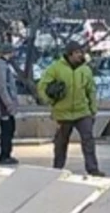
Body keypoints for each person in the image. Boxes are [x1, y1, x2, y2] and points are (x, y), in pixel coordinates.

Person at [38, 41, 103, 176]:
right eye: (78, 53)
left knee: (88, 140)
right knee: (61, 143)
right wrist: (50, 101)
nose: (81, 55)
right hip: (63, 113)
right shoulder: (55, 69)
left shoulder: (85, 70)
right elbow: (42, 86)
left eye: (82, 52)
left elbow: (91, 90)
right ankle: (57, 168)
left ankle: (93, 169)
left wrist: (93, 110)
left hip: (82, 112)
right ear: (70, 54)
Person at [0, 43, 20, 165]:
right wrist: (9, 103)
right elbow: (2, 87)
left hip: (5, 103)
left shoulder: (4, 65)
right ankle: (4, 155)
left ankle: (7, 154)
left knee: (10, 129)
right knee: (7, 130)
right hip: (4, 105)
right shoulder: (1, 67)